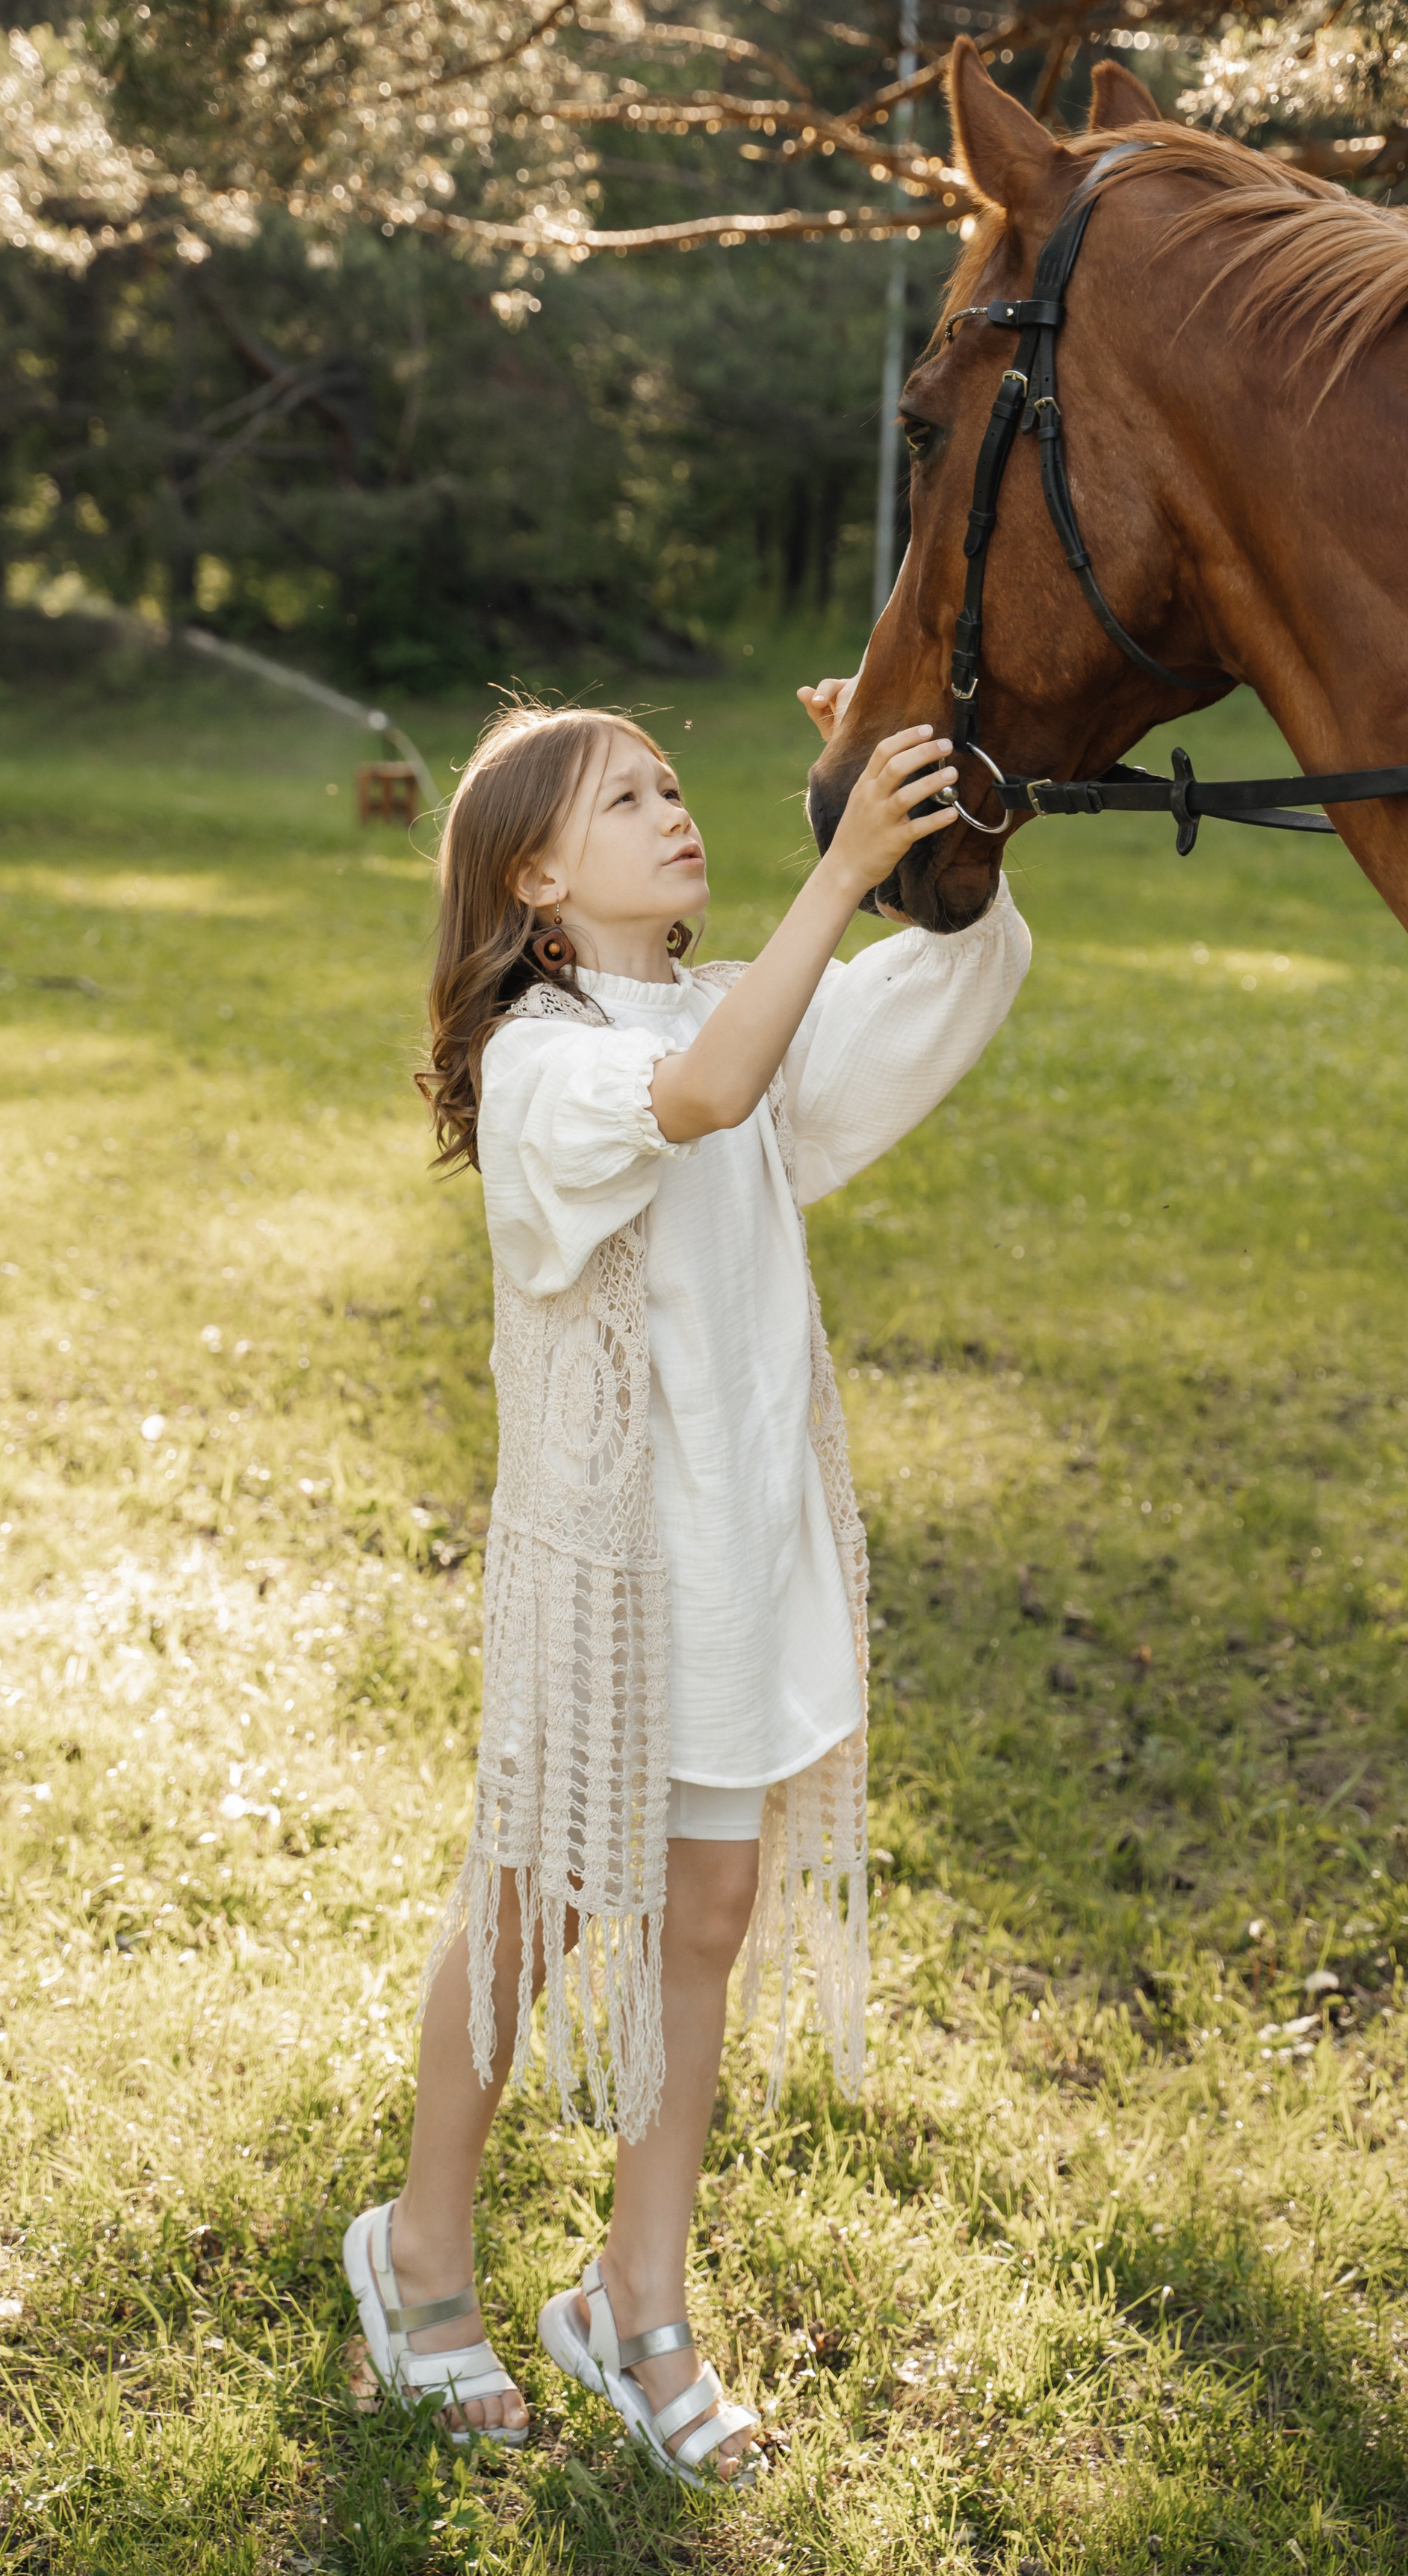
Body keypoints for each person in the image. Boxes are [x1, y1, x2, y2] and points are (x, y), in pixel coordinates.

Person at [344, 685, 1030, 2487]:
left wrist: (954, 831)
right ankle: (420, 2253)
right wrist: (843, 868)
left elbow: (930, 993)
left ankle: (631, 2298)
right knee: (535, 1902)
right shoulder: (543, 1062)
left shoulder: (738, 1006)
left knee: (705, 1916)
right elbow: (704, 1094)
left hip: (738, 1548)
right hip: (606, 1572)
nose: (677, 810)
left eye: (675, 784)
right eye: (625, 797)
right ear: (537, 881)